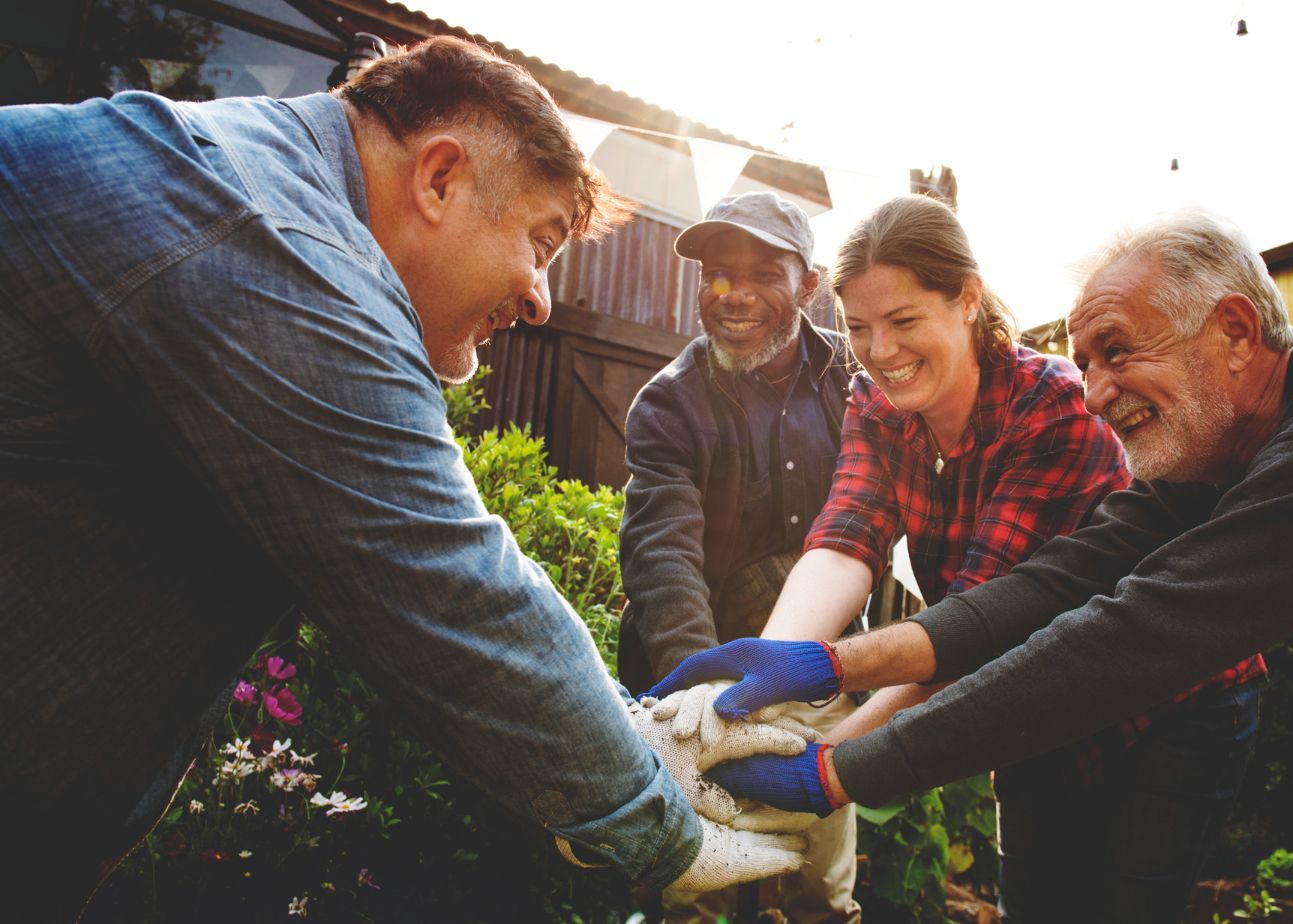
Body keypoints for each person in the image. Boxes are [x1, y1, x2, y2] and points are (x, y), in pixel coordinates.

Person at [0, 36, 804, 919]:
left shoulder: (266, 191)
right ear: (439, 179)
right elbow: (447, 581)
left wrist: (629, 729)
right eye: (540, 241)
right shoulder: (281, 241)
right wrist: (660, 829)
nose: (540, 298)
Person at [654, 209, 1293, 923]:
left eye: (1119, 351)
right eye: (1085, 359)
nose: (1095, 392)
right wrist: (821, 662)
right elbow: (1050, 587)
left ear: (1235, 333)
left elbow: (1130, 636)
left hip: (1160, 710)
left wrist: (833, 769)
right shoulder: (1213, 455)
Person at [736, 194, 1262, 920]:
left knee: (1129, 906)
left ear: (967, 300)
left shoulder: (1054, 408)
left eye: (904, 321)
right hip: (1030, 693)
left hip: (1167, 702)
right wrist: (753, 682)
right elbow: (845, 539)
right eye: (858, 328)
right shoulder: (876, 404)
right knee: (1039, 903)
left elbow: (979, 625)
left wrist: (820, 771)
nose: (881, 351)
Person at [618, 190, 861, 921]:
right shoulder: (669, 405)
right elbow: (663, 555)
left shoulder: (853, 383)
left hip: (815, 671)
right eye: (719, 274)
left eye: (763, 273)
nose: (735, 294)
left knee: (817, 886)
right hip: (698, 670)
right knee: (693, 886)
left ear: (808, 286)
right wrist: (704, 699)